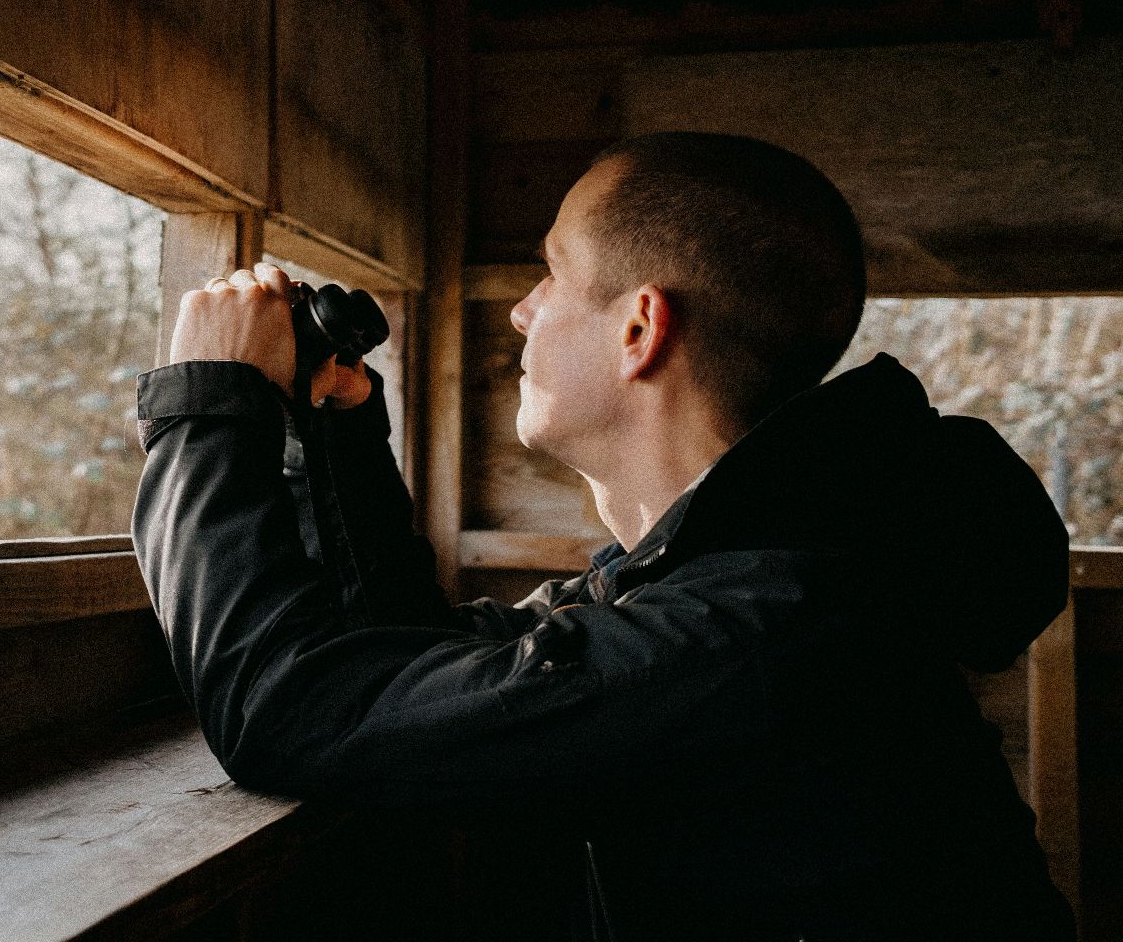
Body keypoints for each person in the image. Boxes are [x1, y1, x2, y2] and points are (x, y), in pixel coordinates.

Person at [131, 132, 1075, 941]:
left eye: (551, 275)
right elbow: (414, 672)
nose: (522, 311)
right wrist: (341, 433)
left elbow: (286, 714)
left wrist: (212, 407)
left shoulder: (758, 633)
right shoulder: (744, 580)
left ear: (638, 328)